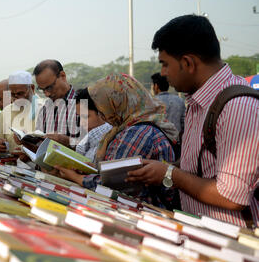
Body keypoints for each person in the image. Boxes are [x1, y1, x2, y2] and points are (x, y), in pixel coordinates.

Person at [126, 14, 259, 227]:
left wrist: (169, 173)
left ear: (188, 63)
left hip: (233, 242)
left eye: (165, 64)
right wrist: (162, 168)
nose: (163, 73)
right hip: (204, 233)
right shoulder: (197, 103)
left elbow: (231, 196)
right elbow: (199, 166)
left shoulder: (237, 107)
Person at [55, 74, 180, 210]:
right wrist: (90, 170)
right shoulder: (126, 128)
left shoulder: (137, 133)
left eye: (103, 108)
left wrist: (76, 177)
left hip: (143, 213)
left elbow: (113, 184)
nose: (103, 114)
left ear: (117, 102)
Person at [0, 71, 39, 154]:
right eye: (13, 94)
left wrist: (29, 152)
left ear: (32, 88)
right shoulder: (7, 111)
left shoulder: (44, 109)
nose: (16, 98)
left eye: (20, 93)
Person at [34, 60, 80, 148]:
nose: (46, 94)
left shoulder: (83, 103)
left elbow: (94, 145)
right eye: (42, 89)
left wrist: (67, 141)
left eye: (50, 87)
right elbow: (40, 145)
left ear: (62, 76)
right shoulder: (45, 109)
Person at [74, 88, 112, 163]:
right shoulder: (88, 143)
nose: (81, 123)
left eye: (85, 117)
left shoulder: (113, 142)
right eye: (79, 117)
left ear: (102, 113)